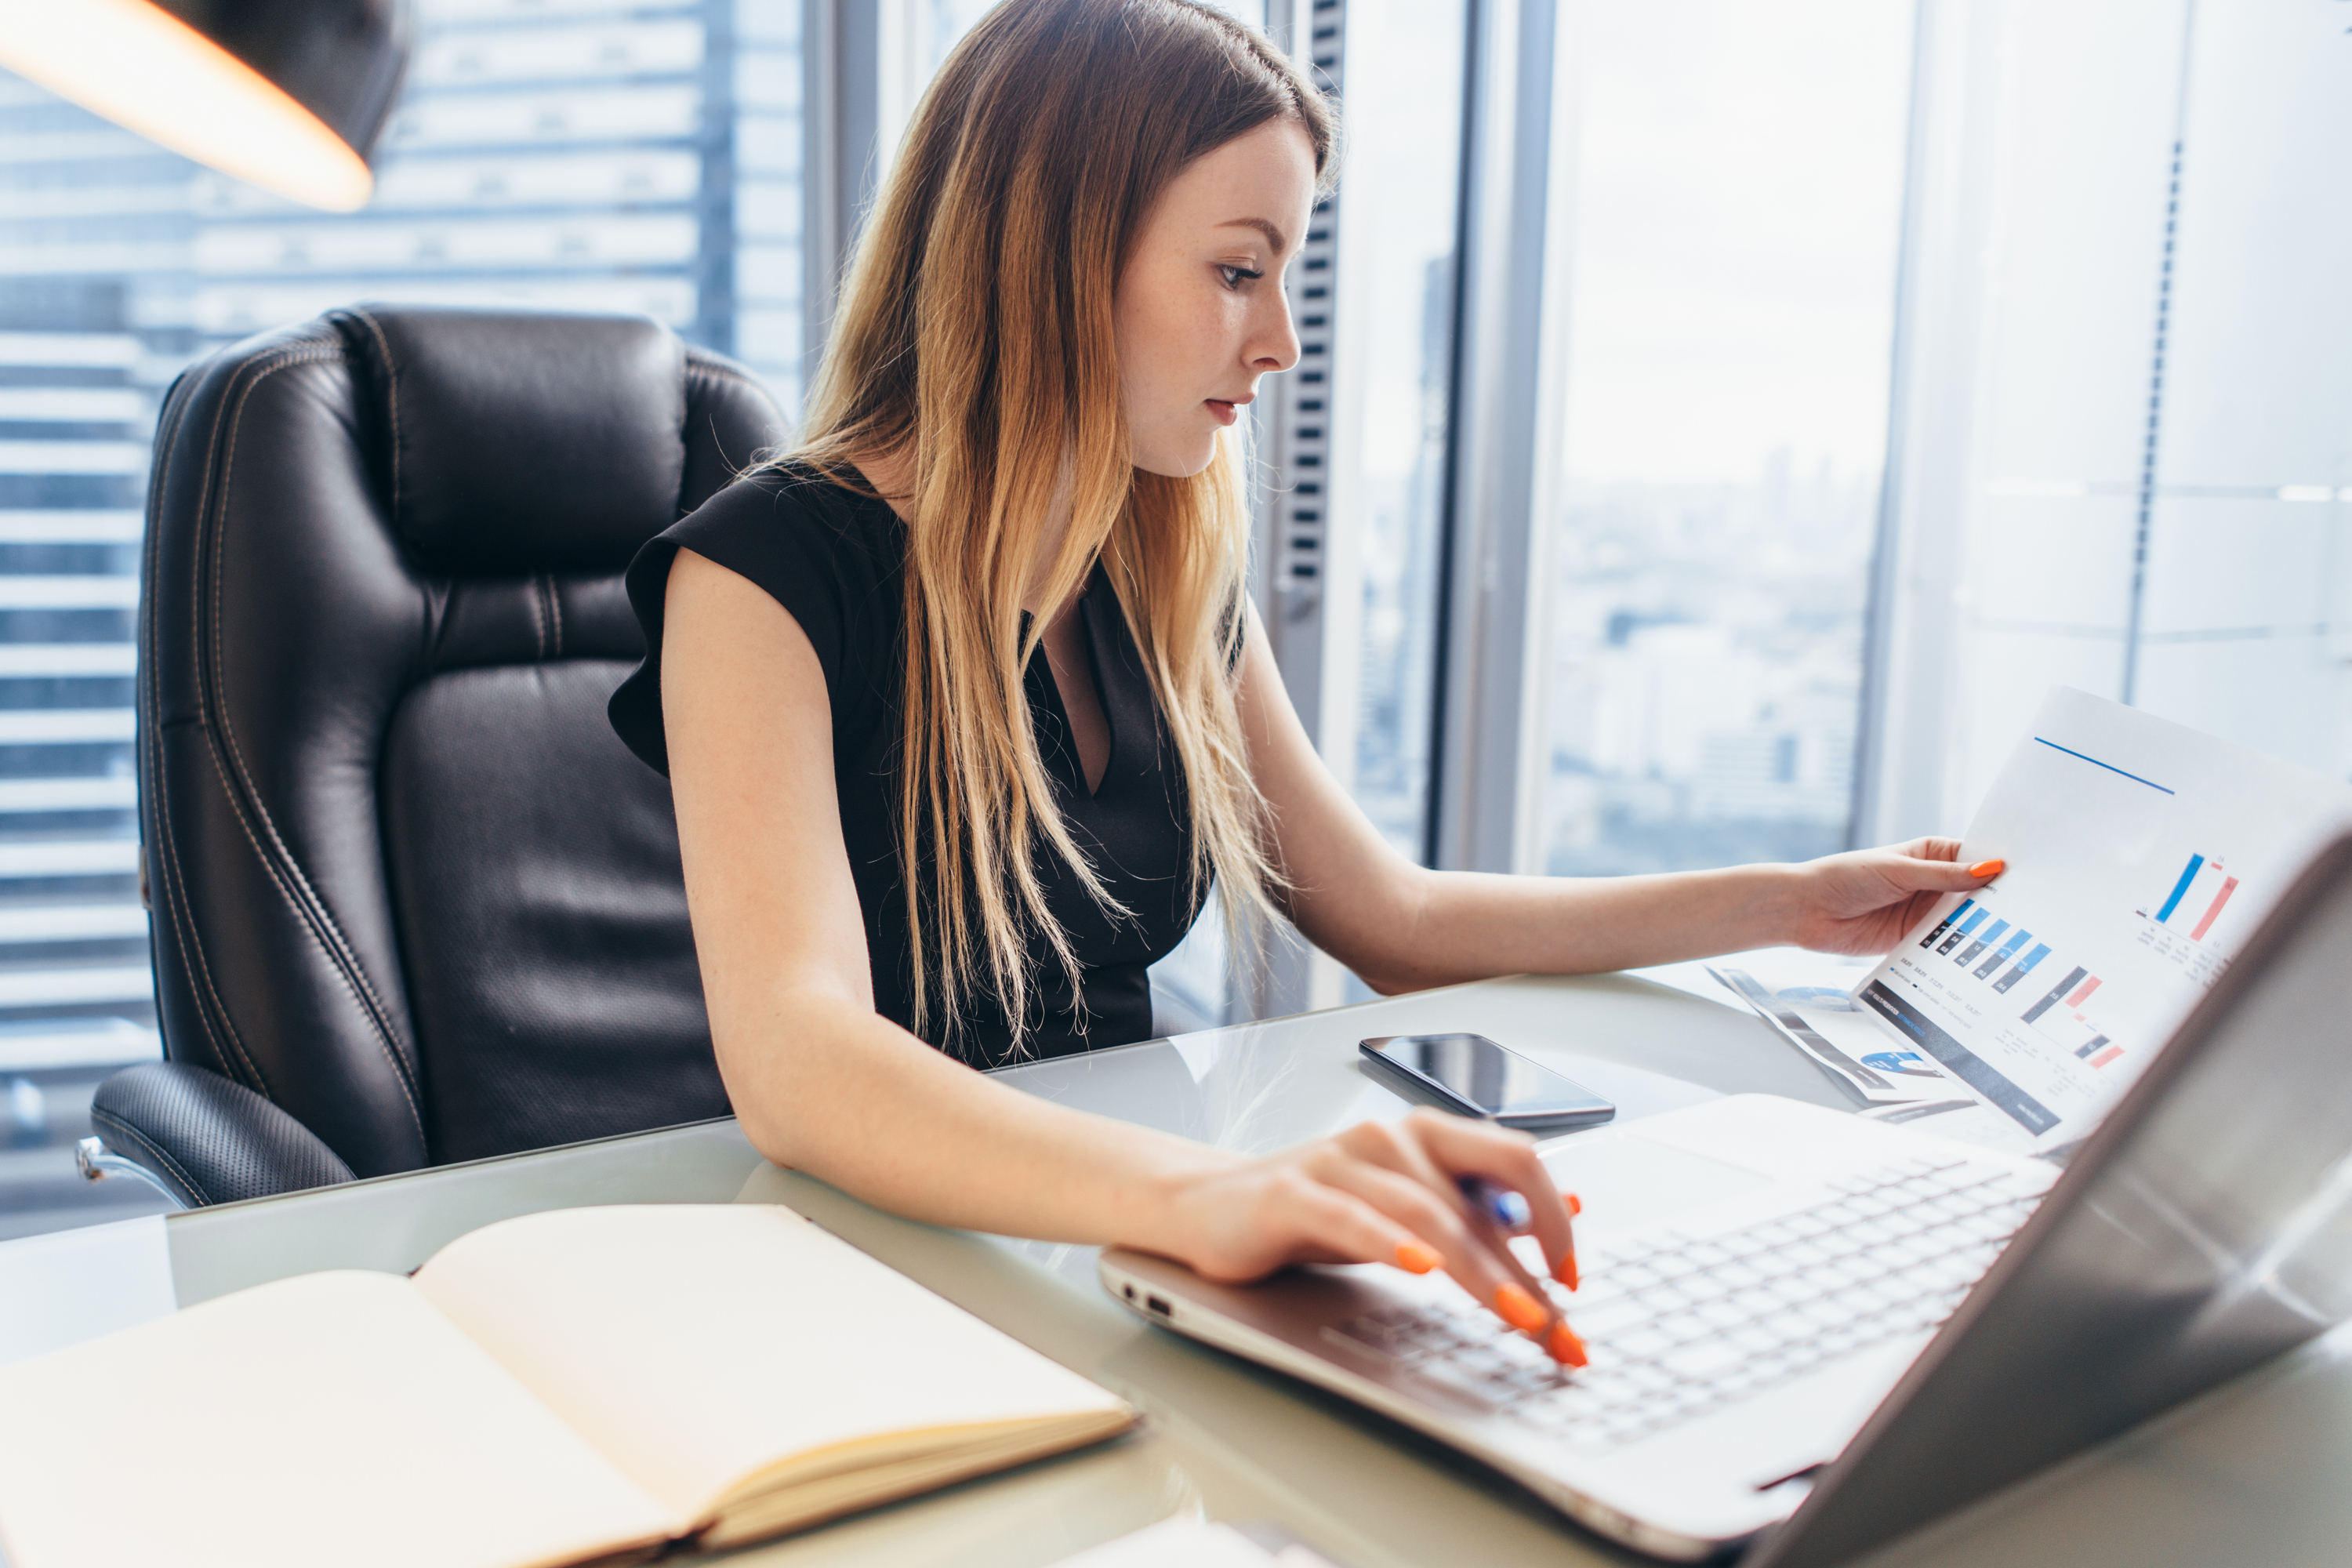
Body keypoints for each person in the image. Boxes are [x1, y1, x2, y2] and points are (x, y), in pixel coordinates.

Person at [608, 0, 1999, 1366]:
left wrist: (1787, 905)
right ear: (1056, 258)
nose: (1279, 342)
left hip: (1089, 1261)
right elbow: (800, 1058)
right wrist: (1206, 1196)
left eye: (1287, 279)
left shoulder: (1157, 563)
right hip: (857, 1280)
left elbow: (1393, 916)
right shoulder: (761, 576)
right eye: (1234, 272)